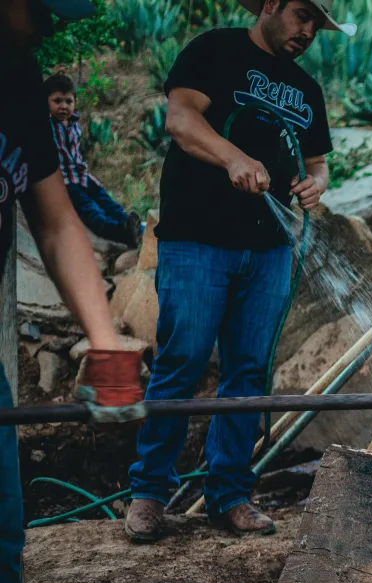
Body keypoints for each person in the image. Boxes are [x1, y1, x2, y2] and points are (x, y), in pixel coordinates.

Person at [124, 0, 352, 542]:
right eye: (301, 15)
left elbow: (317, 162)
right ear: (270, 4)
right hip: (197, 241)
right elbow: (180, 119)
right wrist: (232, 157)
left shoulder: (306, 90)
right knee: (181, 361)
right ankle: (150, 493)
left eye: (317, 24)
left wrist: (316, 182)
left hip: (270, 248)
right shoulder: (216, 50)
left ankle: (229, 494)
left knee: (249, 372)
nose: (308, 30)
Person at [1, 0, 143, 583]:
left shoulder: (19, 80)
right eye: (44, 4)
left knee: (1, 540)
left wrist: (106, 337)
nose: (54, 20)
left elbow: (54, 219)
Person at [46, 73, 141, 248]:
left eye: (68, 101)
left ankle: (133, 226)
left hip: (83, 177)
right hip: (66, 182)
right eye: (57, 101)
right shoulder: (47, 125)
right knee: (92, 211)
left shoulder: (74, 123)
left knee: (107, 201)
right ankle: (120, 233)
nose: (63, 107)